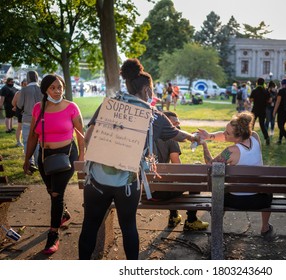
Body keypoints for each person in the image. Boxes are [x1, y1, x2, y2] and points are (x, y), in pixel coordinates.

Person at [78, 58, 201, 260]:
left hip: (97, 179)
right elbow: (178, 134)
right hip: (128, 182)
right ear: (146, 90)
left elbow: (88, 138)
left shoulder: (108, 106)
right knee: (128, 227)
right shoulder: (154, 116)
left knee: (90, 225)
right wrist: (195, 137)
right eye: (151, 90)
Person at [23, 74, 85, 254]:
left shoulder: (71, 107)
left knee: (57, 193)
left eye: (60, 87)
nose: (58, 91)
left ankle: (53, 235)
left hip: (66, 155)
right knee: (51, 191)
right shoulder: (38, 108)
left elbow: (81, 134)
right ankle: (63, 213)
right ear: (45, 90)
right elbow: (33, 136)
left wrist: (82, 155)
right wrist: (28, 159)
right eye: (53, 88)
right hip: (44, 156)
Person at [198, 111, 275, 240]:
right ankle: (265, 227)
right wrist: (209, 135)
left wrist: (204, 145)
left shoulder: (230, 152)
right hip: (260, 200)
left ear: (237, 137)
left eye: (227, 133)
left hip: (236, 200)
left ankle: (217, 229)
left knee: (220, 195)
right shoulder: (255, 137)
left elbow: (211, 165)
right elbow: (224, 136)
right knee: (268, 189)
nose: (224, 133)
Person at [151, 111, 209, 230]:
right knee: (193, 178)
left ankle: (174, 216)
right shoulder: (172, 139)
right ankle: (191, 220)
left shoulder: (149, 135)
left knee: (168, 180)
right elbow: (176, 166)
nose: (177, 126)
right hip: (161, 194)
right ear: (166, 123)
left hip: (145, 193)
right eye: (175, 123)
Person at [17, 71, 43, 170]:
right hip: (41, 119)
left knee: (27, 141)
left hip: (28, 118)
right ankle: (38, 162)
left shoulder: (24, 90)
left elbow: (19, 105)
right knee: (39, 142)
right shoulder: (42, 89)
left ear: (28, 78)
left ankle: (30, 162)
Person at [273, 79, 286, 146]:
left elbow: (278, 102)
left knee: (280, 126)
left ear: (282, 84)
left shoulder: (281, 91)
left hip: (282, 111)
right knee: (282, 125)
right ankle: (279, 140)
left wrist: (274, 111)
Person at [250, 78, 270, 145]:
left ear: (257, 83)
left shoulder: (254, 91)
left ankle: (249, 138)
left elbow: (251, 100)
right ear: (263, 83)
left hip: (255, 110)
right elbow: (269, 100)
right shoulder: (266, 91)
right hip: (263, 110)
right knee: (262, 125)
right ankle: (267, 138)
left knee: (251, 124)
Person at [12, 79, 27, 147]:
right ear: (22, 84)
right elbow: (13, 103)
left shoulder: (20, 92)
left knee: (22, 127)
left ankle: (20, 141)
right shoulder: (19, 93)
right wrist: (16, 106)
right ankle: (18, 141)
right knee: (20, 127)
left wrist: (16, 106)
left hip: (26, 111)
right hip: (22, 111)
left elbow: (13, 103)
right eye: (24, 84)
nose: (25, 85)